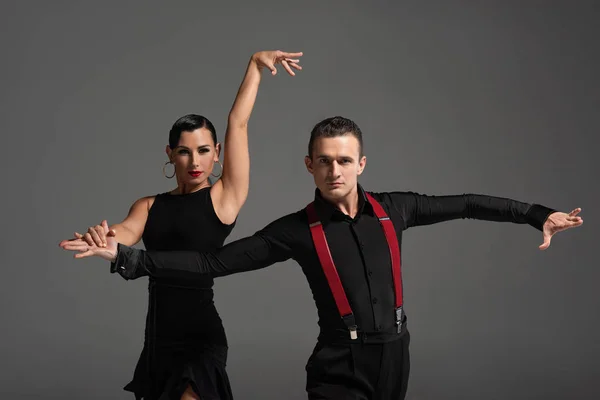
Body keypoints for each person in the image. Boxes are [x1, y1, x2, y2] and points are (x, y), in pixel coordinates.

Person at [63, 116, 583, 399]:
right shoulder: (295, 231)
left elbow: (468, 203)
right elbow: (210, 265)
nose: (335, 172)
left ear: (360, 163)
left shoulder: (396, 209)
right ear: (309, 166)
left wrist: (536, 213)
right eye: (325, 162)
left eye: (344, 161)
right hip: (338, 364)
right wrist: (128, 258)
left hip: (396, 355)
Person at [59, 50, 303, 400]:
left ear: (217, 152)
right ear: (170, 153)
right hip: (158, 338)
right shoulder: (149, 205)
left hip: (200, 336)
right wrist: (103, 238)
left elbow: (238, 122)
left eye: (204, 150)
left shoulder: (224, 198)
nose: (195, 161)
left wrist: (254, 67)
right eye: (185, 151)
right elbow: (123, 233)